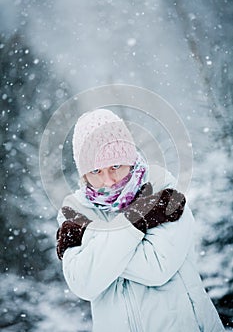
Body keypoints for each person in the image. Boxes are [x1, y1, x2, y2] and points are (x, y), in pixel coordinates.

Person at [56, 108, 225, 332]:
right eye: (96, 170)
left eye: (115, 166)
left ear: (129, 159)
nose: (108, 181)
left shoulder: (162, 187)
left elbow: (156, 266)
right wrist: (137, 221)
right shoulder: (74, 209)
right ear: (84, 173)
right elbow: (83, 284)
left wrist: (92, 239)